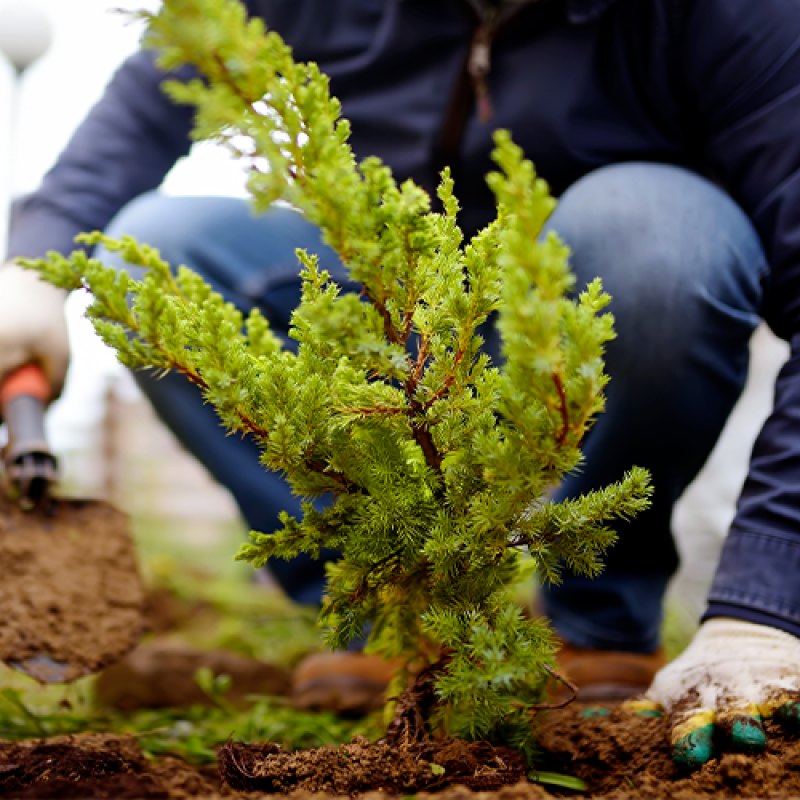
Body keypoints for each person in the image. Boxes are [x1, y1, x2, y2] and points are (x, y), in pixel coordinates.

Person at [2, 0, 800, 768]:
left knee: (656, 236)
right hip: (389, 302)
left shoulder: (730, 13)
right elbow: (157, 89)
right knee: (148, 255)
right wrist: (32, 268)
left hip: (589, 312)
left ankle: (599, 617)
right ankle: (383, 611)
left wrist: (764, 606)